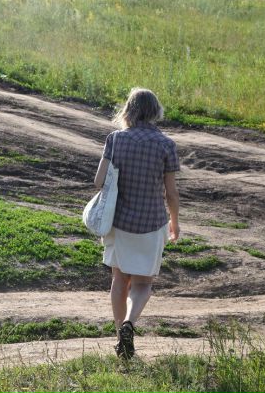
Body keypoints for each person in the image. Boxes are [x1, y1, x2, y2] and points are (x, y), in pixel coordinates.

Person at [94, 87, 180, 359]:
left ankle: (121, 335)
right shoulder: (166, 145)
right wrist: (174, 222)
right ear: (155, 111)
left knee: (120, 279)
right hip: (152, 222)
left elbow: (99, 181)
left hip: (120, 222)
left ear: (129, 110)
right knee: (143, 283)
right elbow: (171, 193)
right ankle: (131, 322)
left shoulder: (115, 140)